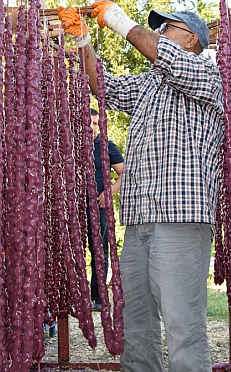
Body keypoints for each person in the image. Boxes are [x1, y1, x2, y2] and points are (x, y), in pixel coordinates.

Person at [58, 2, 224, 372]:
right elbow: (103, 87)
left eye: (169, 28)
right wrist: (83, 40)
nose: (161, 33)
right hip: (139, 221)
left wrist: (117, 21)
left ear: (192, 39)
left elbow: (162, 53)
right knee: (137, 326)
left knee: (183, 327)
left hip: (181, 218)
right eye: (159, 28)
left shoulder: (205, 73)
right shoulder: (150, 84)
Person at [88, 108, 124, 312]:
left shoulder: (106, 146)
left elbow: (123, 174)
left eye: (96, 124)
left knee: (99, 250)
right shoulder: (70, 145)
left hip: (98, 206)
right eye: (90, 123)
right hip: (73, 206)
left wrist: (109, 192)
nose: (93, 128)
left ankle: (99, 297)